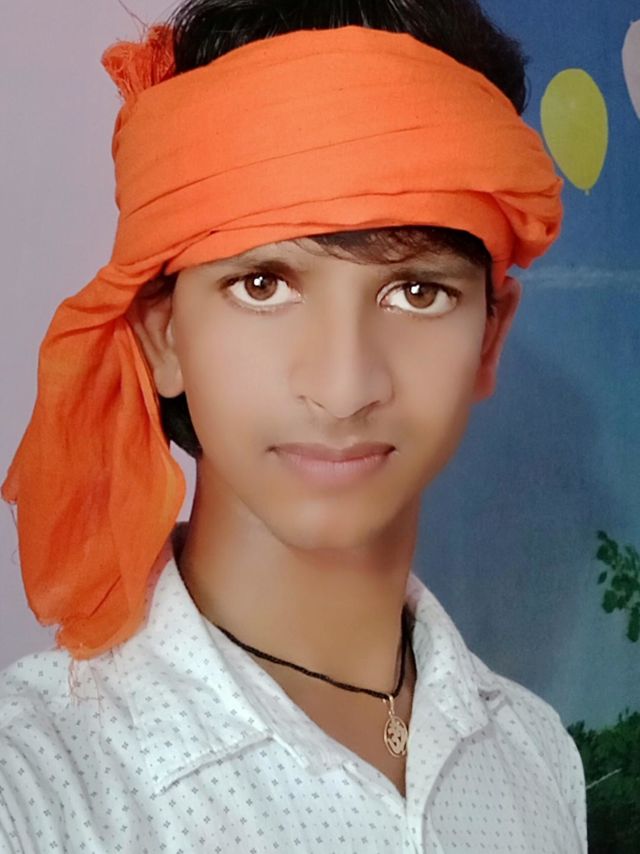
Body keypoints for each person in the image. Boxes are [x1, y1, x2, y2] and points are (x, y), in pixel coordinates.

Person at [0, 1, 587, 851]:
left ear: (490, 339)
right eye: (263, 285)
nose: (343, 388)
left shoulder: (538, 756)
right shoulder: (38, 786)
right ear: (163, 337)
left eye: (417, 291)